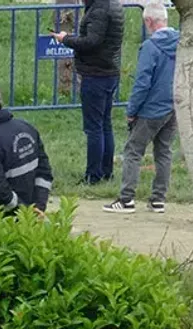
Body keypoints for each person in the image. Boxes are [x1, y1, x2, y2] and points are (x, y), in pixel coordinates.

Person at [104, 1, 177, 214]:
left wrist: (132, 110)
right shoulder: (182, 42)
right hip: (173, 105)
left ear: (148, 21)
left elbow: (142, 83)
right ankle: (158, 199)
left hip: (151, 108)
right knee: (164, 152)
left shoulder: (150, 47)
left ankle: (126, 198)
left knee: (133, 150)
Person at [51, 0, 124, 185]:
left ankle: (94, 175)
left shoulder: (99, 9)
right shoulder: (113, 5)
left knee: (94, 128)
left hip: (96, 74)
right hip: (109, 70)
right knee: (105, 125)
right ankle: (106, 171)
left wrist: (65, 39)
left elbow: (92, 41)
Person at [0, 82, 53, 216]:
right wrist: (38, 206)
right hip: (32, 210)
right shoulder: (27, 128)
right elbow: (44, 170)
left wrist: (23, 211)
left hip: (1, 217)